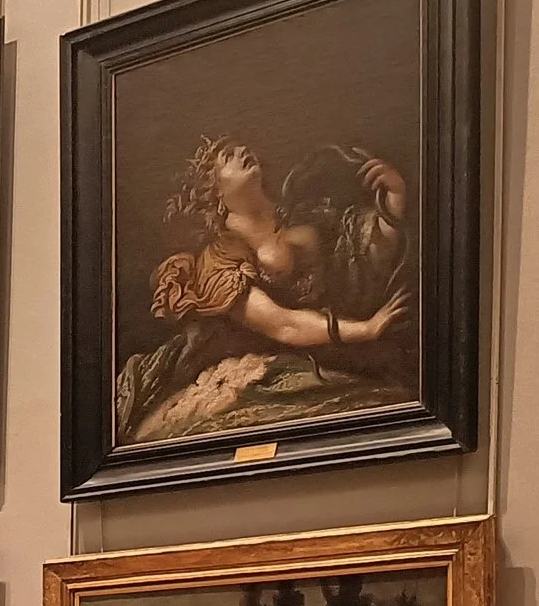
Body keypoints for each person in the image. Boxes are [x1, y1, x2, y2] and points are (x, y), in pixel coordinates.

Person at [116, 138, 413, 444]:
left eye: (242, 148)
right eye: (228, 156)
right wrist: (365, 329)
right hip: (280, 364)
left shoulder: (302, 214)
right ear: (215, 191)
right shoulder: (220, 258)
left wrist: (394, 198)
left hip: (340, 351)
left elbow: (363, 256)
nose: (243, 151)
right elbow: (283, 325)